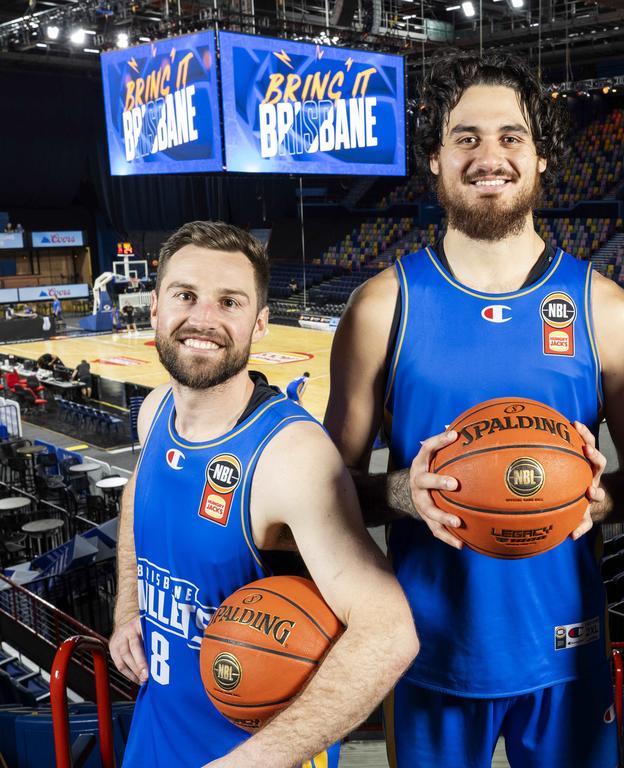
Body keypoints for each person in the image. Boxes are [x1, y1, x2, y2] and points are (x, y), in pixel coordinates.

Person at [324, 53, 624, 767]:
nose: (489, 156)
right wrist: (400, 493)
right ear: (436, 161)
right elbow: (325, 493)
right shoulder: (382, 307)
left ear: (541, 160)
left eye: (512, 137)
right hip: (429, 646)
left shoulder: (608, 311)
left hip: (568, 647)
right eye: (465, 137)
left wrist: (597, 500)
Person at [109, 221, 418, 768]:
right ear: (154, 307)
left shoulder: (290, 456)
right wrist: (129, 605)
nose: (203, 318)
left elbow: (390, 630)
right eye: (186, 295)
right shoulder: (155, 413)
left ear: (260, 322)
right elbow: (139, 492)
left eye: (229, 301)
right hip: (154, 733)